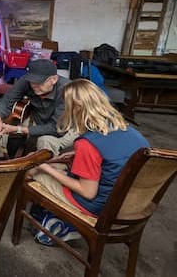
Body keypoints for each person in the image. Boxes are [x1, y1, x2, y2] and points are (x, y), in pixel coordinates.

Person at [27, 79, 150, 245]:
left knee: (32, 173)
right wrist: (76, 157)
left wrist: (44, 167)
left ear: (77, 106)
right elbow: (111, 158)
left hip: (97, 206)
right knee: (57, 166)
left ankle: (45, 220)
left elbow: (87, 192)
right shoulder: (131, 132)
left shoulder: (87, 143)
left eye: (66, 105)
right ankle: (55, 217)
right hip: (127, 202)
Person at [0, 59, 76, 157]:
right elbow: (5, 102)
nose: (34, 85)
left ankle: (43, 169)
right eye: (32, 81)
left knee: (44, 141)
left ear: (53, 79)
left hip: (65, 128)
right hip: (38, 119)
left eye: (39, 82)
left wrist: (18, 129)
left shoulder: (67, 90)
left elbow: (56, 128)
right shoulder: (26, 81)